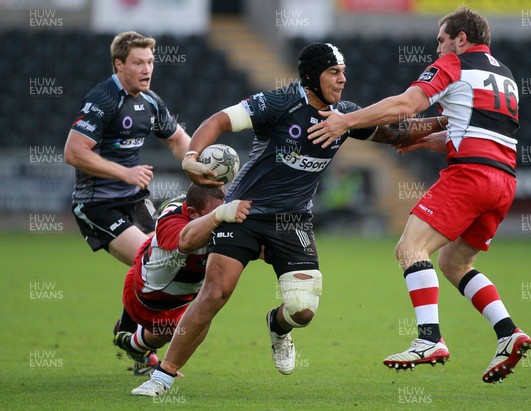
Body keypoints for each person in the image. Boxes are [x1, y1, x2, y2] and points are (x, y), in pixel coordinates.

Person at [131, 42, 448, 396]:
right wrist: (191, 156)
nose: (343, 78)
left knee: (302, 312)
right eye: (334, 72)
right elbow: (217, 121)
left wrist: (449, 118)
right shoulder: (280, 103)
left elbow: (396, 133)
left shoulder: (345, 116)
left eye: (343, 71)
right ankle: (163, 377)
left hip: (293, 222)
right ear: (313, 76)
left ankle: (278, 326)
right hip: (244, 213)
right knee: (215, 293)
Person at [308, 7, 531, 384]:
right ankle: (508, 332)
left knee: (410, 249)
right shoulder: (505, 76)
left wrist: (346, 120)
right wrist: (429, 141)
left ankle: (429, 338)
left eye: (442, 40)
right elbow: (481, 134)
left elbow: (405, 105)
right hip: (503, 182)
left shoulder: (452, 63)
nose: (439, 48)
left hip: (469, 177)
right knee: (454, 264)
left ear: (461, 39)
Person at [64, 31, 191, 337]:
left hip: (135, 200)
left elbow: (176, 140)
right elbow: (73, 152)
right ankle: (133, 335)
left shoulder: (149, 100)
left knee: (171, 263)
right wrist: (125, 173)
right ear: (119, 65)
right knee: (151, 260)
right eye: (138, 62)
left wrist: (202, 164)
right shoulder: (103, 100)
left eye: (150, 61)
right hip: (97, 204)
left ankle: (130, 333)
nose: (147, 69)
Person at [113, 184, 251, 375]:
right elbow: (187, 242)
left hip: (173, 295)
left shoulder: (208, 209)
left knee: (190, 323)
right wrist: (219, 215)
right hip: (149, 299)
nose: (223, 217)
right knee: (186, 329)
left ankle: (130, 338)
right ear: (193, 213)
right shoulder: (173, 219)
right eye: (216, 213)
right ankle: (134, 342)